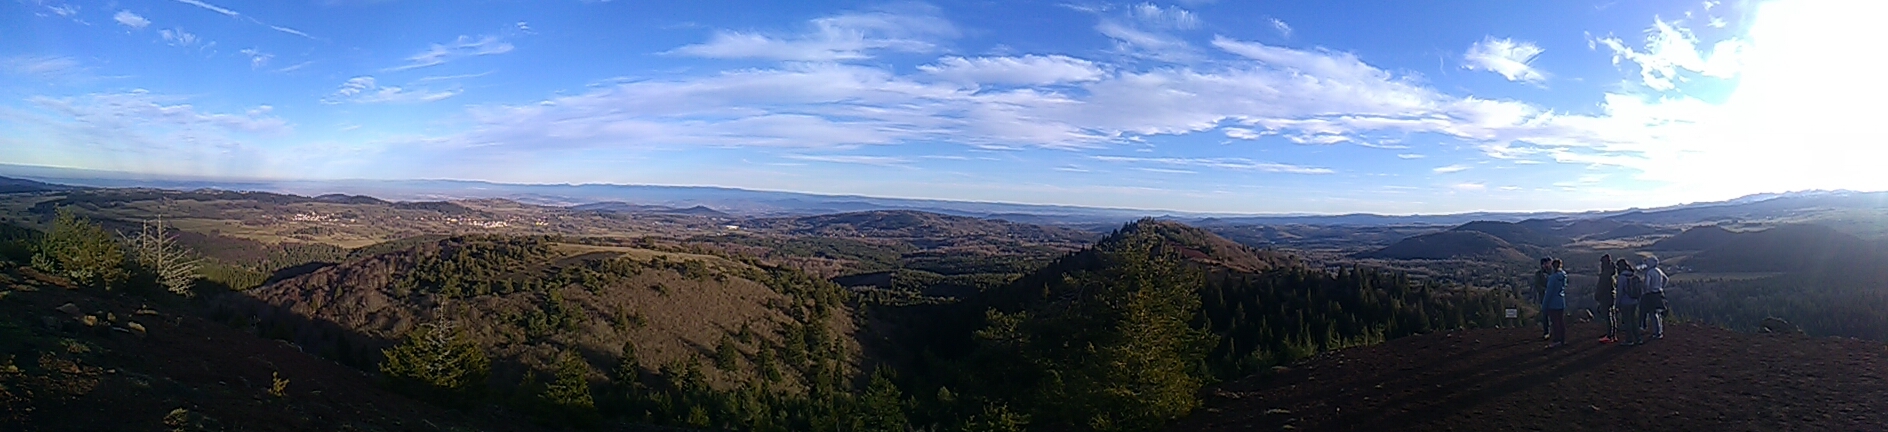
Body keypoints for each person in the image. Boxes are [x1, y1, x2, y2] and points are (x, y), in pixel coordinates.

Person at [1614, 258, 1642, 346]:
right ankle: (1638, 338)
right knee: (1633, 320)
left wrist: (1617, 304)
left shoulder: (1621, 278)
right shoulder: (1633, 275)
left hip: (1625, 302)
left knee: (1627, 321)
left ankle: (1629, 340)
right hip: (1634, 301)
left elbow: (1620, 292)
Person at [1544, 259, 1569, 348]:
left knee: (1555, 322)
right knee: (1561, 321)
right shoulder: (1563, 276)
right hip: (1561, 301)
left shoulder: (1553, 278)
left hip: (1553, 303)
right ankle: (1562, 339)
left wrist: (1544, 305)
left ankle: (1557, 340)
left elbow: (1549, 292)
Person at [1642, 256, 1668, 340]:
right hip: (1659, 293)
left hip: (1651, 294)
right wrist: (1661, 287)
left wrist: (1646, 291)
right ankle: (1659, 331)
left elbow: (1647, 284)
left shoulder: (1649, 272)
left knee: (1653, 313)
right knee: (1658, 312)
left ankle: (1656, 333)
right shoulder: (1659, 271)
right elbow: (1666, 279)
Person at [1594, 254, 1617, 343]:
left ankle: (1609, 335)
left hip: (1605, 297)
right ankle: (1613, 335)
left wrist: (1597, 295)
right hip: (1612, 296)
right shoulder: (1612, 273)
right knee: (1612, 315)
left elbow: (1601, 287)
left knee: (1607, 316)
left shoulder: (1605, 274)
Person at [1534, 257, 1553, 340]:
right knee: (1545, 315)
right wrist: (1545, 290)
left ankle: (1555, 331)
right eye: (1547, 263)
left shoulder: (1554, 273)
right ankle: (1546, 331)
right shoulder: (1538, 274)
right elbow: (1537, 285)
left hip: (1553, 297)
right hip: (1544, 297)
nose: (1549, 265)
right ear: (1543, 265)